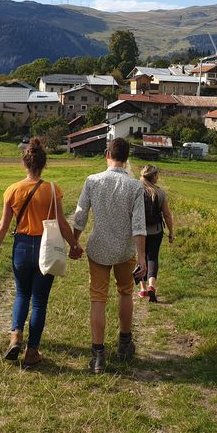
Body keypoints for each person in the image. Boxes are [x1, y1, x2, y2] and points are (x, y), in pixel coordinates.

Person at [0, 138, 81, 367]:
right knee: (39, 300)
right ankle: (32, 351)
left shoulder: (13, 190)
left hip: (21, 246)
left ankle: (15, 336)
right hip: (45, 247)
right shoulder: (52, 189)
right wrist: (74, 245)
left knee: (21, 294)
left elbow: (3, 225)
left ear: (25, 164)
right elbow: (60, 222)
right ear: (44, 164)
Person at [72, 138, 147, 374]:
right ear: (126, 159)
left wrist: (74, 241)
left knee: (98, 298)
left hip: (99, 248)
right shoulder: (135, 186)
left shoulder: (92, 181)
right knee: (125, 292)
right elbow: (139, 225)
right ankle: (125, 343)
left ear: (107, 154)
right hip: (125, 250)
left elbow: (81, 214)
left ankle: (98, 355)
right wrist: (143, 257)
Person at [137, 165, 175, 303]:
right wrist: (171, 232)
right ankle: (152, 286)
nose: (158, 177)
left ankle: (142, 288)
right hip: (156, 230)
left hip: (138, 231)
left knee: (140, 257)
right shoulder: (160, 193)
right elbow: (167, 215)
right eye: (157, 175)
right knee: (152, 257)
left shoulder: (135, 190)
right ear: (153, 176)